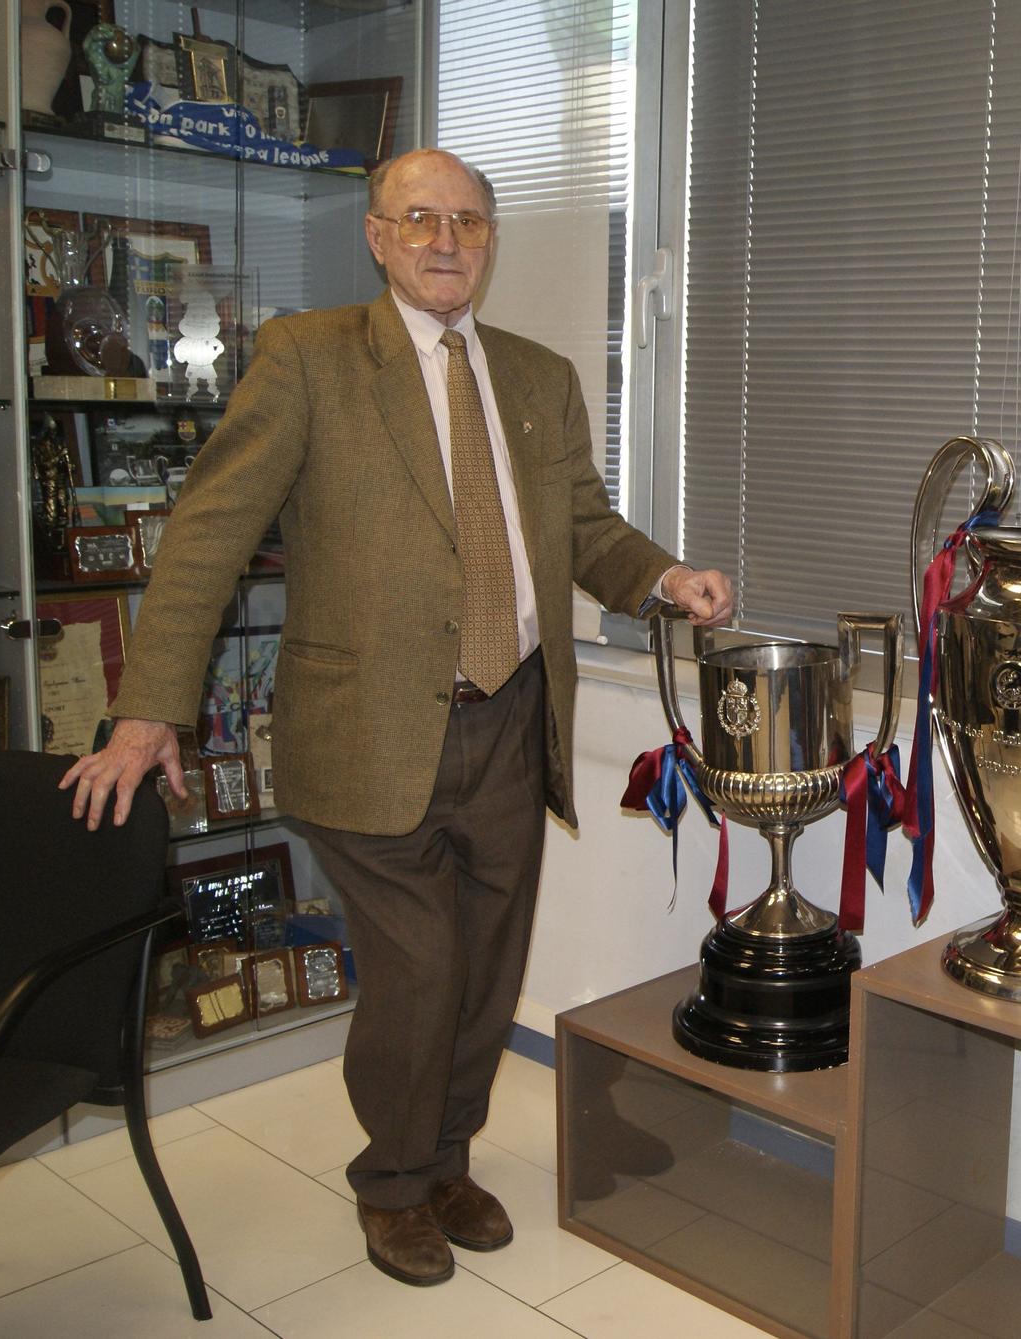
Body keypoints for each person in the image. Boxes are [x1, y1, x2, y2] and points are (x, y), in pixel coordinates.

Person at [61, 147, 733, 1288]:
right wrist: (146, 711)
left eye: (467, 222)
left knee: (482, 967)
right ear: (376, 235)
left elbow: (583, 529)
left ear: (489, 239)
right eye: (418, 218)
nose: (444, 240)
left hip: (512, 721)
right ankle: (390, 1183)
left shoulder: (536, 374)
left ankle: (444, 1160)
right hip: (368, 725)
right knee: (420, 971)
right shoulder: (308, 359)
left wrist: (665, 579)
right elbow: (209, 533)